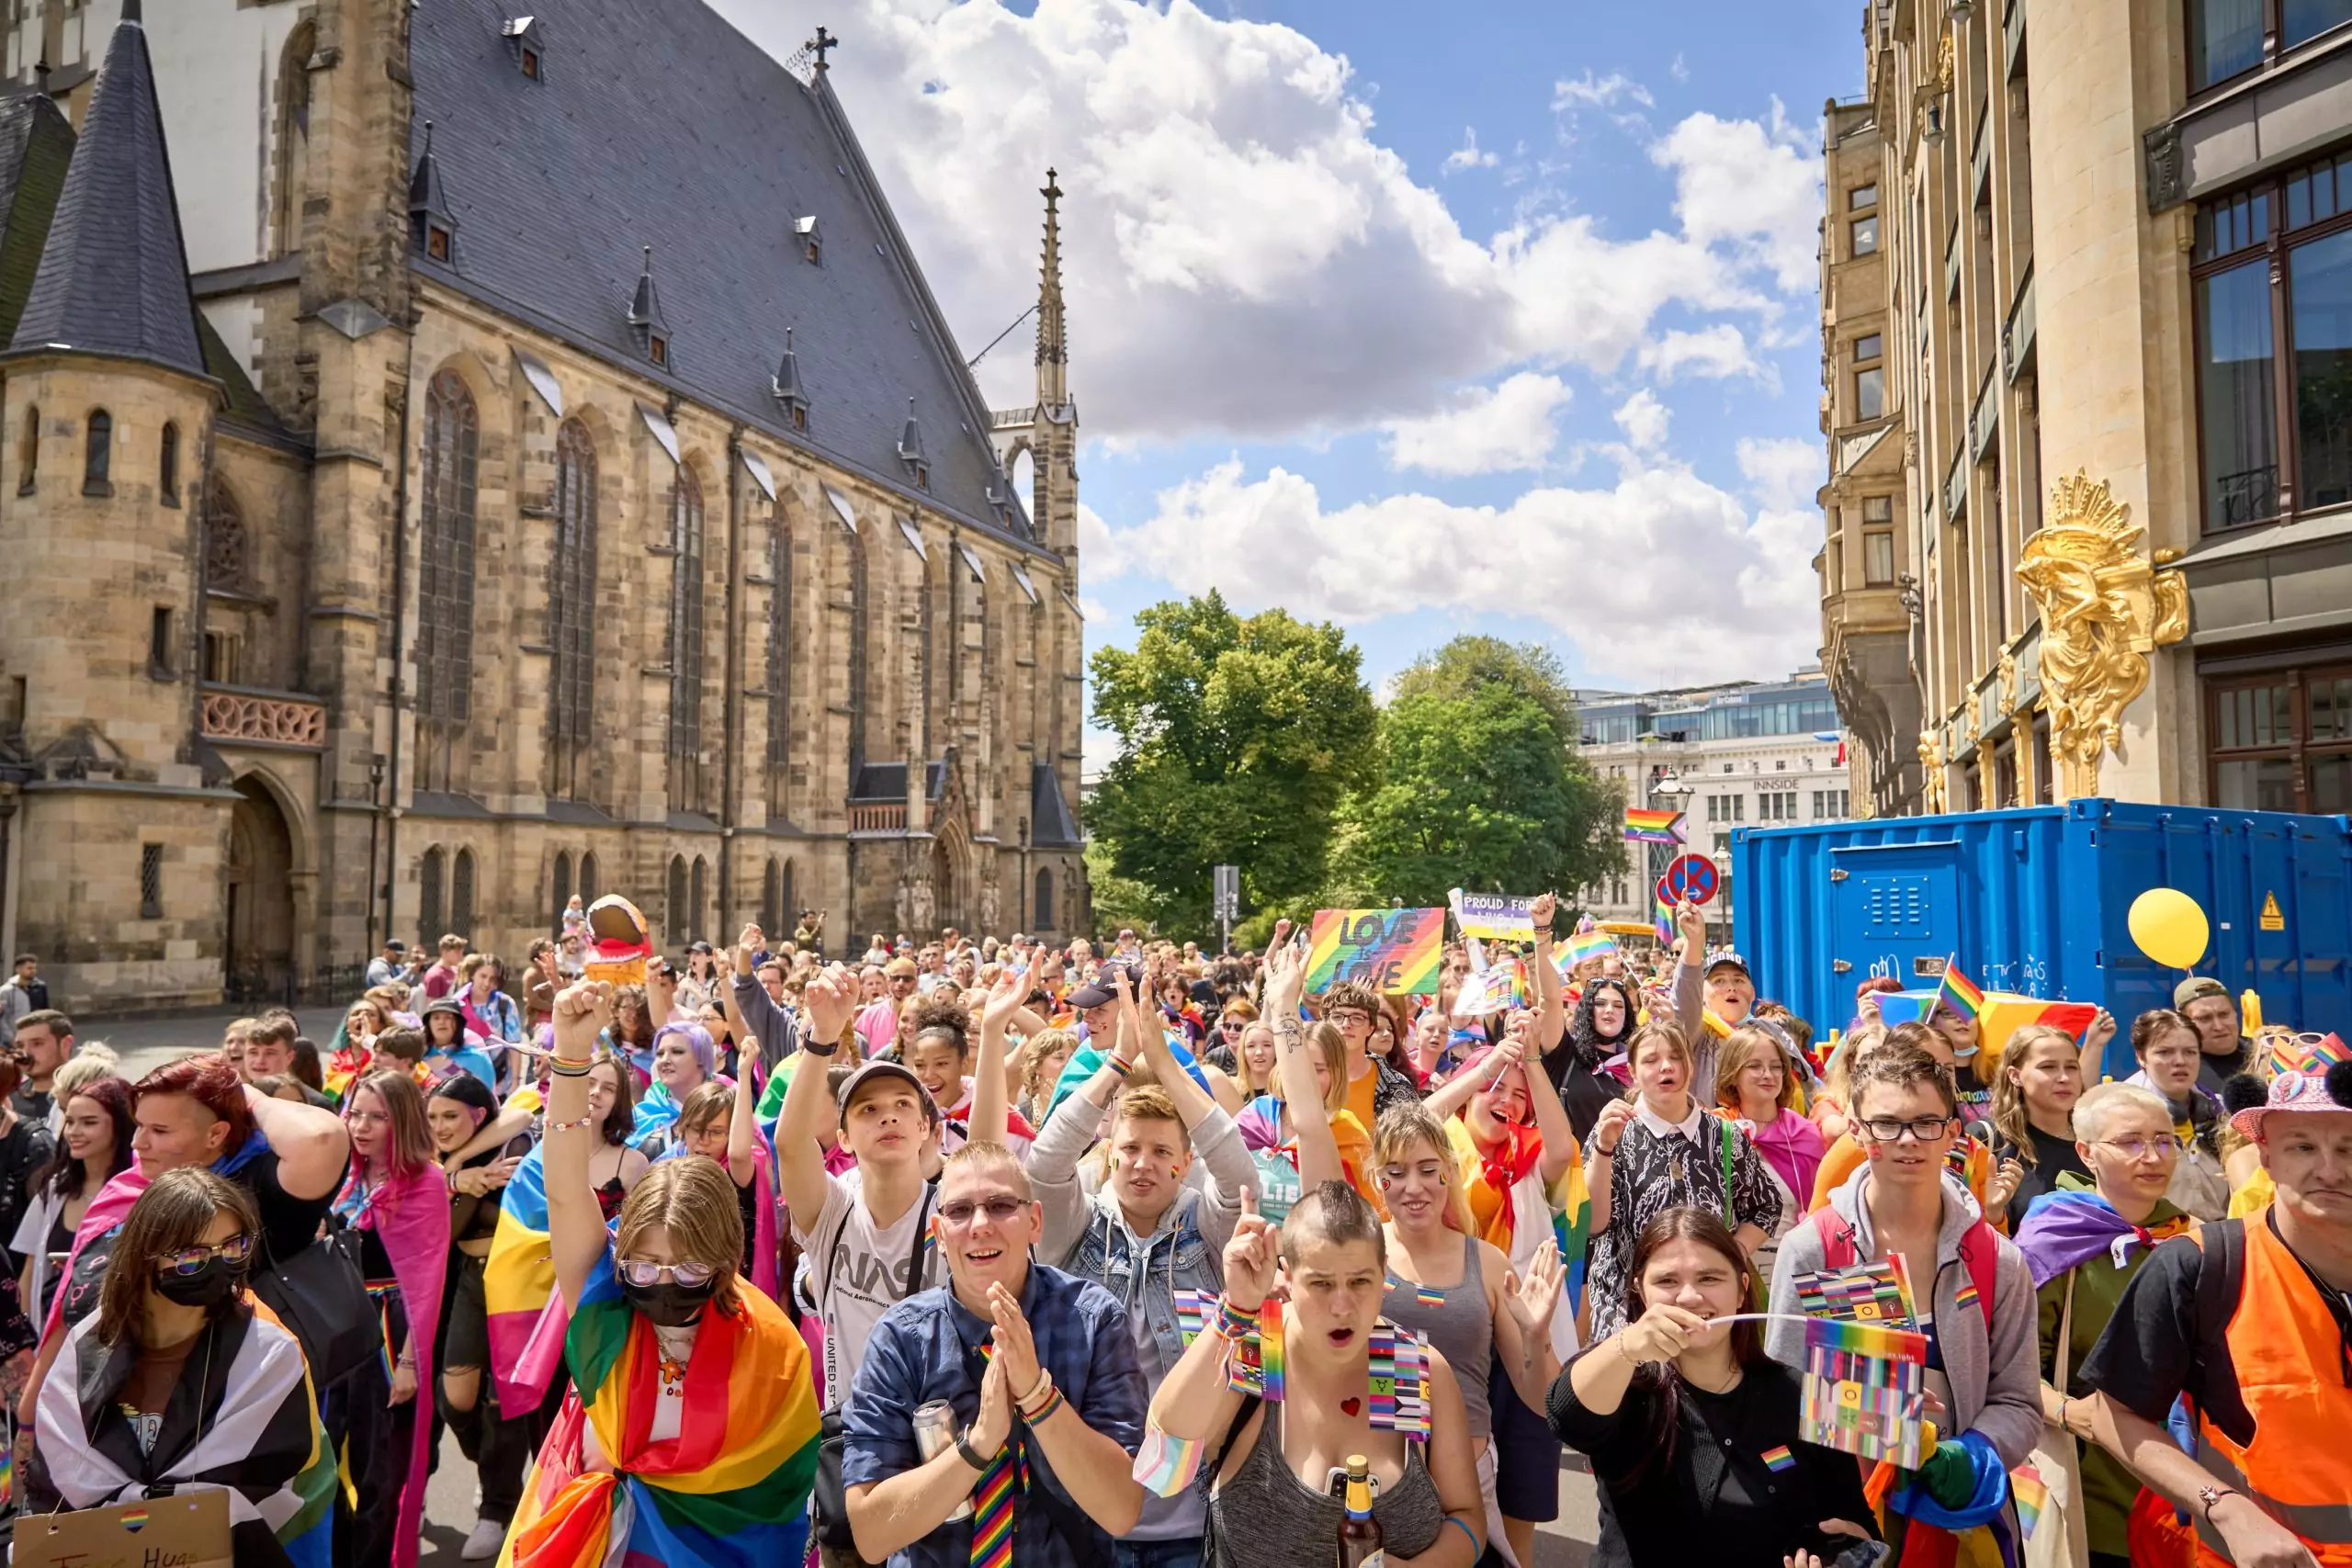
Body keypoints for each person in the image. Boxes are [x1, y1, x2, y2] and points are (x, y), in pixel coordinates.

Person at [500, 981, 820, 1568]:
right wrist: (570, 1062)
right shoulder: (605, 1298)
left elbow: (779, 1496)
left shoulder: (775, 1350)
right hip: (600, 1543)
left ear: (728, 1261)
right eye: (646, 1265)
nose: (665, 1282)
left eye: (691, 1266)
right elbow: (567, 1190)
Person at [1768, 1045, 2043, 1561]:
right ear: (1856, 1131)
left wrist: (1969, 1457)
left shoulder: (1996, 1259)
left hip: (1963, 1522)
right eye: (1886, 1125)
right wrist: (1883, 1421)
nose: (1909, 1140)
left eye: (1926, 1123)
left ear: (1954, 1134)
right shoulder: (1817, 1248)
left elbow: (2019, 1400)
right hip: (1848, 1520)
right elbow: (1778, 1398)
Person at [2079, 1061, 2352, 1568]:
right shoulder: (2200, 1264)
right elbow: (2112, 1413)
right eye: (2302, 1146)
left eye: (2348, 1148)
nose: (2330, 1169)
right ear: (2266, 1156)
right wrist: (2225, 1509)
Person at [1028, 970, 1259, 1568]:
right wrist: (1120, 1062)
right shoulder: (1076, 1223)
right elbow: (1044, 1164)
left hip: (1188, 1519)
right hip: (1086, 1516)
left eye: (1161, 1151)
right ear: (1109, 1150)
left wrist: (1166, 1061)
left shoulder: (1204, 1228)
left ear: (1185, 1163)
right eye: (1130, 1148)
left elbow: (1239, 1180)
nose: (1142, 1163)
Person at [1140, 1179, 1486, 1568]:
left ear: (1383, 1272)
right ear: (1288, 1275)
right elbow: (1162, 1471)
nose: (1342, 1305)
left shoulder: (1415, 1369)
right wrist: (1235, 1310)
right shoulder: (1252, 1351)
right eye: (1321, 1283)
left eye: (1359, 1281)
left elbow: (1468, 1519)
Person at [840, 1140, 1148, 1568]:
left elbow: (1121, 1510)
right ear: (938, 1234)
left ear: (1035, 1221)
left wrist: (1039, 1399)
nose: (980, 1225)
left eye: (1001, 1205)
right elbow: (871, 1536)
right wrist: (978, 1444)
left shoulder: (1092, 1321)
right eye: (960, 1211)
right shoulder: (900, 1338)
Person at [30, 1168, 334, 1567]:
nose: (218, 1266)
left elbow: (280, 1481)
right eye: (192, 1256)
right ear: (145, 1256)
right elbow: (60, 1466)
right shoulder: (89, 1342)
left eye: (233, 1247)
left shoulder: (266, 1353)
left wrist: (153, 1509)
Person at [1550, 1207, 1878, 1568]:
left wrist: (1849, 1550)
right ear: (1640, 1293)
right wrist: (1626, 1345)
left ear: (1742, 1290)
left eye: (1709, 1278)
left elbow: (1860, 1525)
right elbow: (1565, 1415)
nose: (1689, 1297)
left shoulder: (1805, 1394)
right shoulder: (1627, 1389)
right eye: (1667, 1281)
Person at [777, 966, 951, 1560]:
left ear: (928, 1126)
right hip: (854, 1448)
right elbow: (790, 1144)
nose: (888, 1116)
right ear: (845, 1136)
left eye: (904, 1104)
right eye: (869, 1108)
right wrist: (822, 1039)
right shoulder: (832, 1213)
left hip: (938, 1445)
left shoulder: (954, 1217)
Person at [1374, 1101, 1565, 1568]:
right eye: (1395, 1172)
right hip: (1378, 1468)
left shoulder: (1488, 1263)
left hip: (1468, 1475)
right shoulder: (1361, 1253)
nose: (1412, 1187)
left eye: (1427, 1170)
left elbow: (1544, 1399)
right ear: (1377, 1178)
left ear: (1450, 1172)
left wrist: (1537, 1334)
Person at [2009, 1082, 2192, 1568]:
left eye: (2164, 1140)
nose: (2152, 1156)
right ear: (2087, 1153)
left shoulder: (2188, 1236)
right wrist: (2073, 1416)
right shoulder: (2053, 1239)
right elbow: (2011, 1366)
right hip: (2088, 1472)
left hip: (2183, 1477)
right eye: (2130, 1142)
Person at [1586, 1021, 1779, 1341]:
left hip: (1709, 1311)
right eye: (1651, 1060)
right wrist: (1604, 1148)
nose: (1666, 1067)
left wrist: (1733, 1252)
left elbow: (1766, 1207)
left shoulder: (1724, 1134)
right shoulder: (1614, 1132)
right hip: (1630, 1312)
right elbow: (1593, 1223)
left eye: (1676, 1057)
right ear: (1632, 1071)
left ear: (1690, 1066)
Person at [324, 1070, 447, 1568]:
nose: (362, 1125)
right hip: (337, 1328)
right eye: (356, 1113)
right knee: (325, 1460)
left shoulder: (427, 1181)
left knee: (379, 1469)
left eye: (378, 1116)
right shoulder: (343, 1176)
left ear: (404, 1122)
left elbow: (429, 1279)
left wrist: (412, 1364)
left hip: (389, 1332)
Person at [427, 1074, 533, 1561]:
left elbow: (523, 1111)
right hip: (468, 1279)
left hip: (518, 1277)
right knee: (456, 1400)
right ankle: (497, 1472)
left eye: (451, 1116)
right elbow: (439, 1233)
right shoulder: (432, 1162)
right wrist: (453, 1175)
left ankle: (497, 1506)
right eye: (433, 1117)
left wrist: (460, 1164)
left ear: (477, 1115)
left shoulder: (512, 1141)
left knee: (502, 1400)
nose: (440, 1126)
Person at [14, 1074, 131, 1325]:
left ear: (121, 1126)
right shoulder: (54, 1189)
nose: (74, 1132)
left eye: (89, 1122)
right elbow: (29, 1271)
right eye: (69, 1121)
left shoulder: (140, 1193)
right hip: (50, 1335)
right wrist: (28, 1337)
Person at [2124, 1009, 2230, 1221]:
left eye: (2190, 1052)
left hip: (2225, 1236)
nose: (2180, 1061)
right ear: (2141, 1056)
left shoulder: (2222, 1111)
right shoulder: (2120, 1116)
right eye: (2165, 1052)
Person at [1713, 1023, 1825, 1224]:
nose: (1768, 1074)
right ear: (1733, 1073)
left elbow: (1820, 1209)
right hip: (1728, 1251)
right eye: (1755, 1066)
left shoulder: (1804, 1133)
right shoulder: (1715, 1129)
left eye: (1775, 1067)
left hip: (1791, 1251)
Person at [1985, 1023, 2090, 1225]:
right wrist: (1993, 1214)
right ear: (2015, 1076)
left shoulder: (2099, 1139)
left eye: (2071, 1067)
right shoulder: (1988, 1140)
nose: (2064, 1078)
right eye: (2048, 1067)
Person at [1546, 975, 1638, 1145]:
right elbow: (1549, 1001)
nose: (1609, 1010)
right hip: (1577, 1167)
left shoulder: (1637, 1064)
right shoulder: (1566, 1054)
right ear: (1587, 1009)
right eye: (1600, 1003)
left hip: (1627, 1168)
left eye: (1618, 1006)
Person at [2172, 975, 2249, 1095]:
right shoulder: (2180, 1072)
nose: (2218, 1027)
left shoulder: (2265, 1055)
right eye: (2204, 1018)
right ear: (2185, 1022)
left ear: (2235, 1013)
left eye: (2224, 1014)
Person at [242, 1016, 334, 1109]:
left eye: (270, 1053)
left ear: (290, 1057)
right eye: (253, 1052)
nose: (260, 1061)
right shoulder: (234, 1098)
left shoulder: (317, 1105)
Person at [418, 998, 498, 1092]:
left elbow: (489, 1098)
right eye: (436, 1018)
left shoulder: (477, 1060)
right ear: (428, 1024)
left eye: (448, 1017)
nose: (441, 1022)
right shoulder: (418, 1059)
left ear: (458, 1023)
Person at [12, 1008, 74, 1122]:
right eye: (20, 1046)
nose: (25, 1053)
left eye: (37, 1044)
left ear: (65, 1045)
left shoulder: (88, 1095)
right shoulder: (9, 1100)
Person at [0, 954, 42, 1046]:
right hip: (11, 1041)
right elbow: (2, 1019)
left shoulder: (40, 988)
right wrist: (12, 1039)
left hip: (34, 1039)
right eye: (29, 968)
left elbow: (45, 1012)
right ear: (18, 969)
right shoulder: (6, 991)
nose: (33, 971)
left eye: (35, 968)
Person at [420, 933, 468, 999]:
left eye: (462, 953)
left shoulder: (456, 971)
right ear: (445, 953)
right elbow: (433, 1004)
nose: (461, 956)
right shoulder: (434, 975)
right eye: (457, 952)